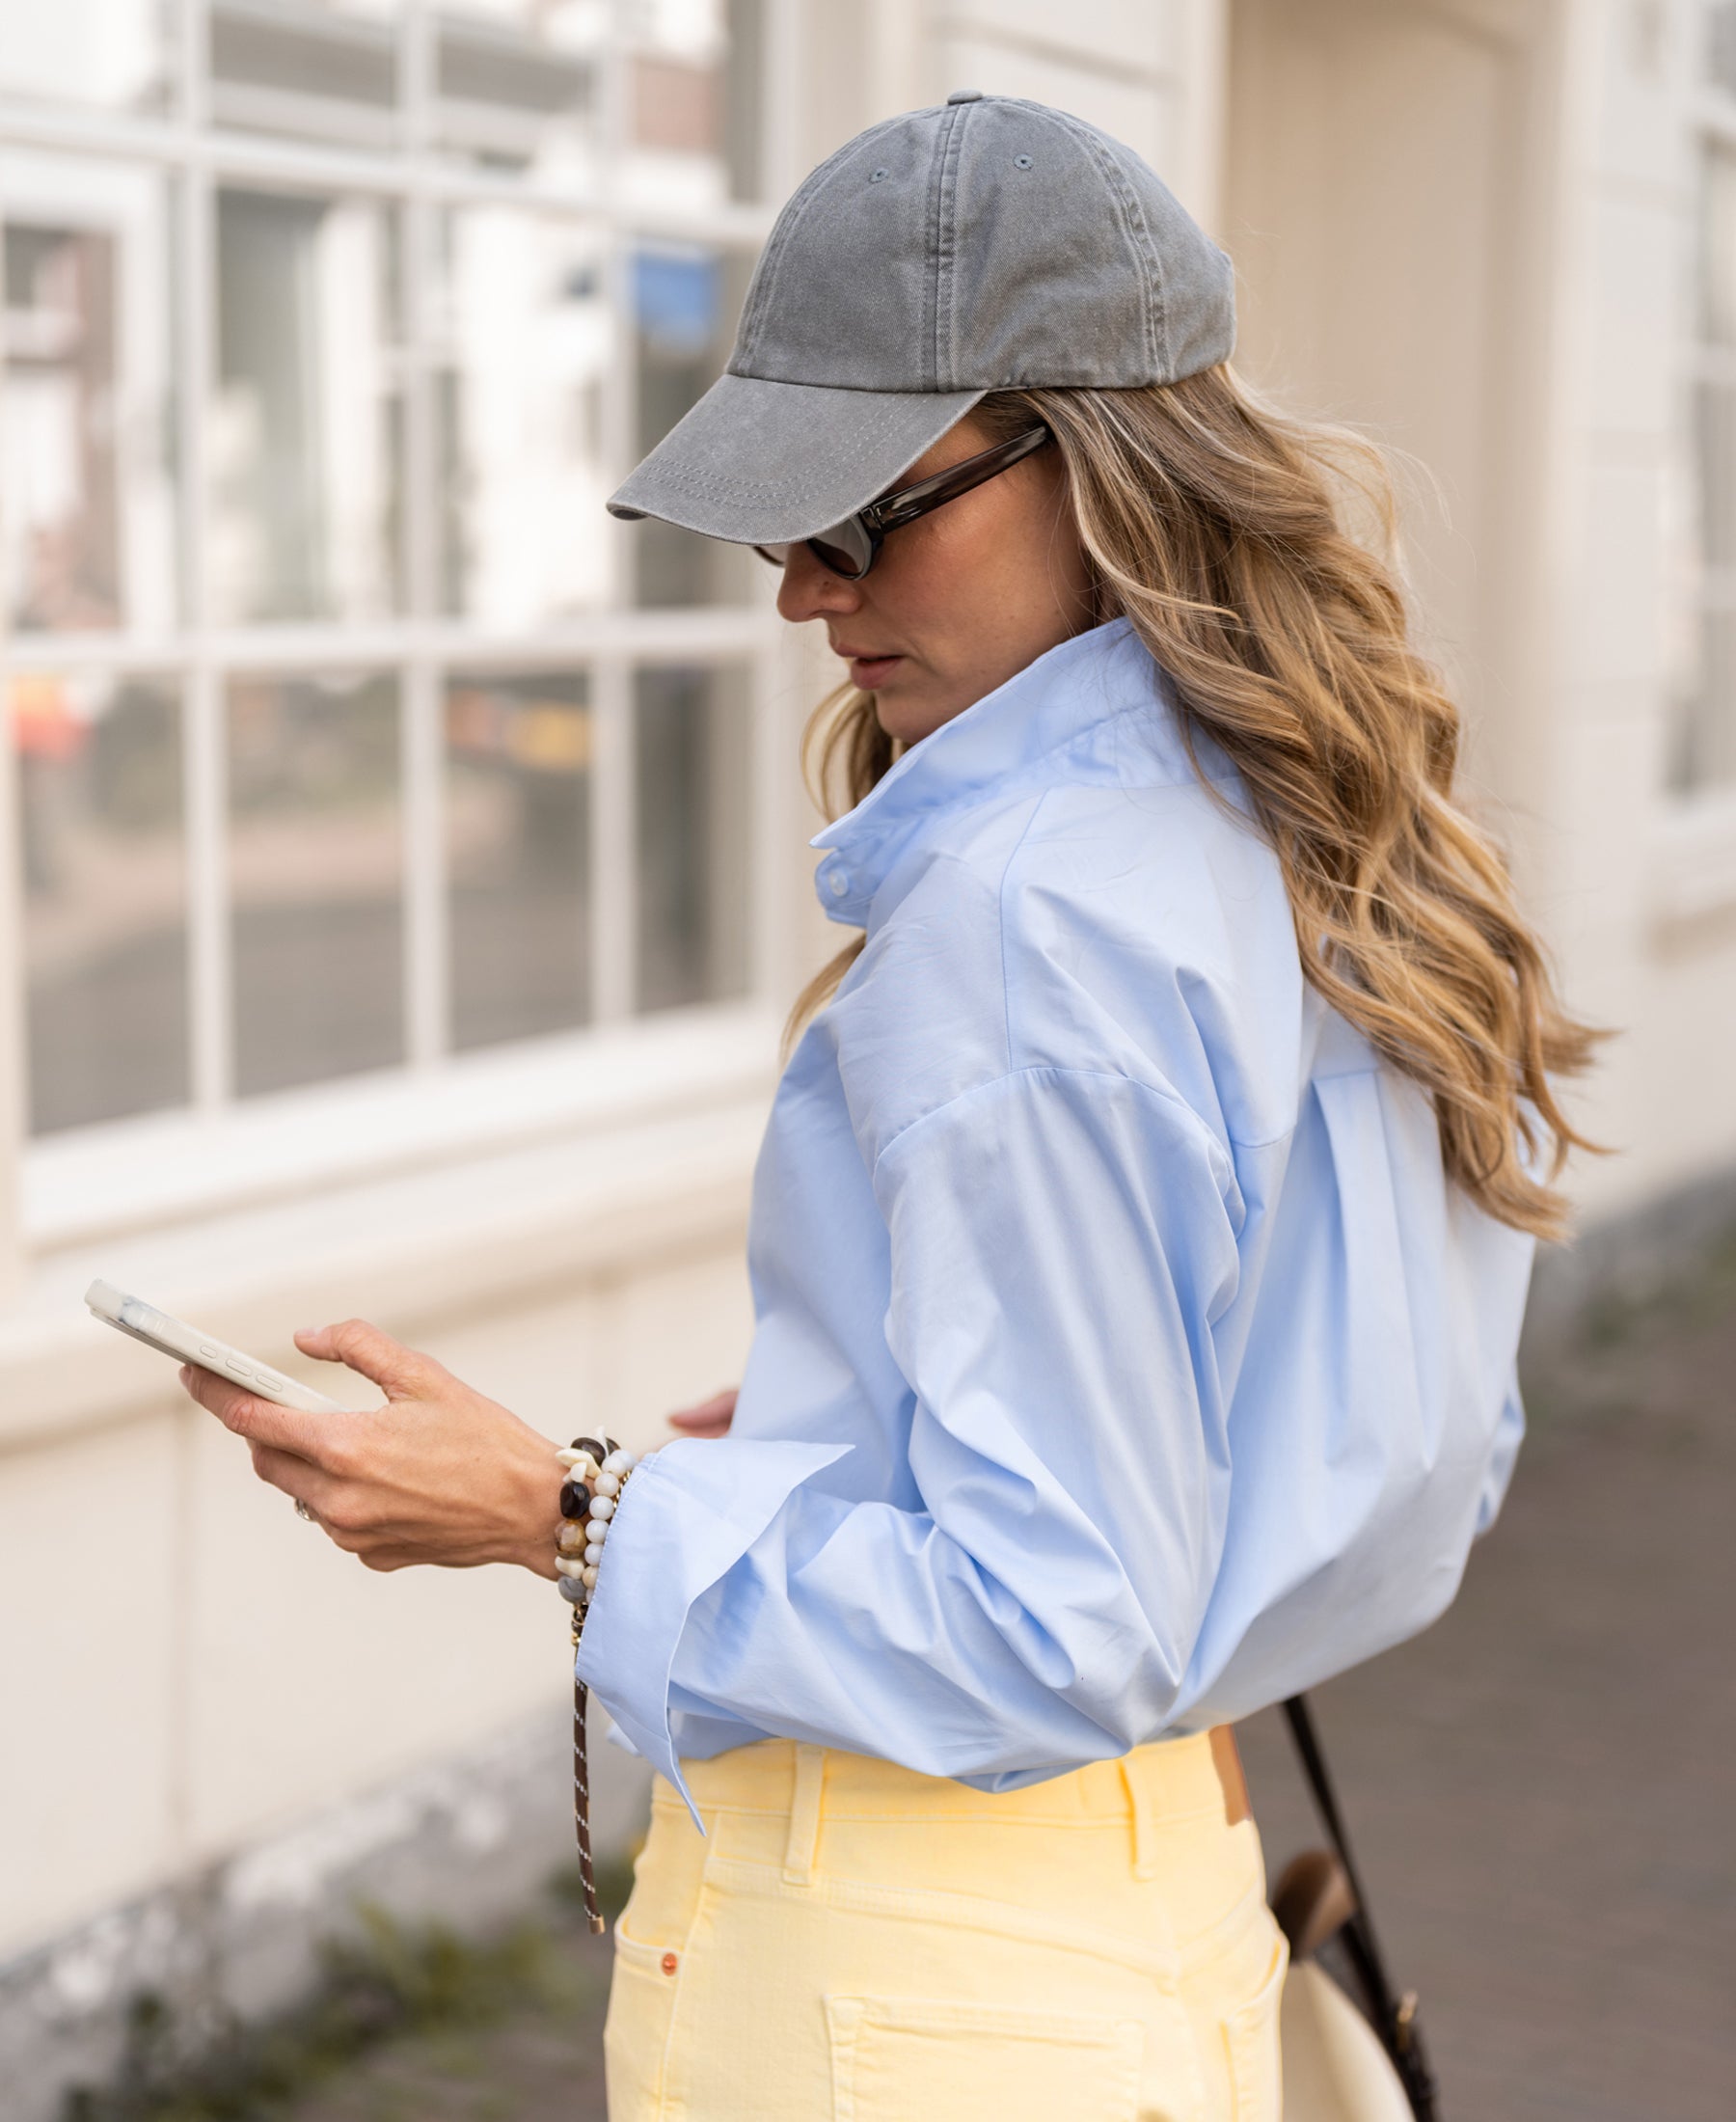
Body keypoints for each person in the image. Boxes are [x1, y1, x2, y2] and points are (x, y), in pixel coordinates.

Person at [177, 94, 1597, 2121]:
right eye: (786, 525)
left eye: (866, 513)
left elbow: (1051, 1618)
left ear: (1101, 464)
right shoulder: (1324, 841)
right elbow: (1395, 1466)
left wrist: (561, 1510)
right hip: (1153, 1913)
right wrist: (874, 1432)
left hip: (918, 1971)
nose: (804, 596)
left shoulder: (1030, 914)